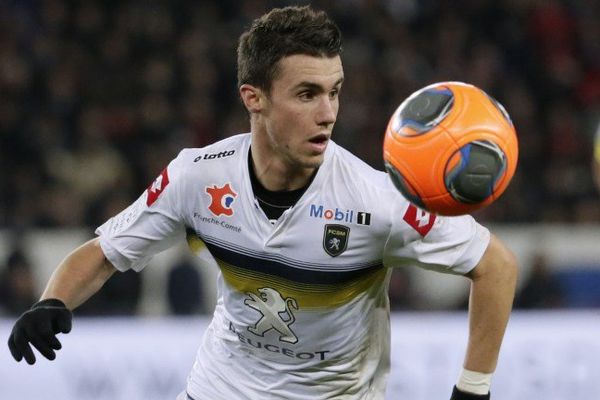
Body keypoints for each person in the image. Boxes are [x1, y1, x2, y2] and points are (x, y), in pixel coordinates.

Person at [8, 6, 518, 400]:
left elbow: (495, 266)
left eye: (335, 91)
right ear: (254, 98)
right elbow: (104, 252)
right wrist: (51, 301)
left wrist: (472, 389)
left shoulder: (380, 201)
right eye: (307, 94)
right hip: (220, 388)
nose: (328, 113)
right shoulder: (198, 176)